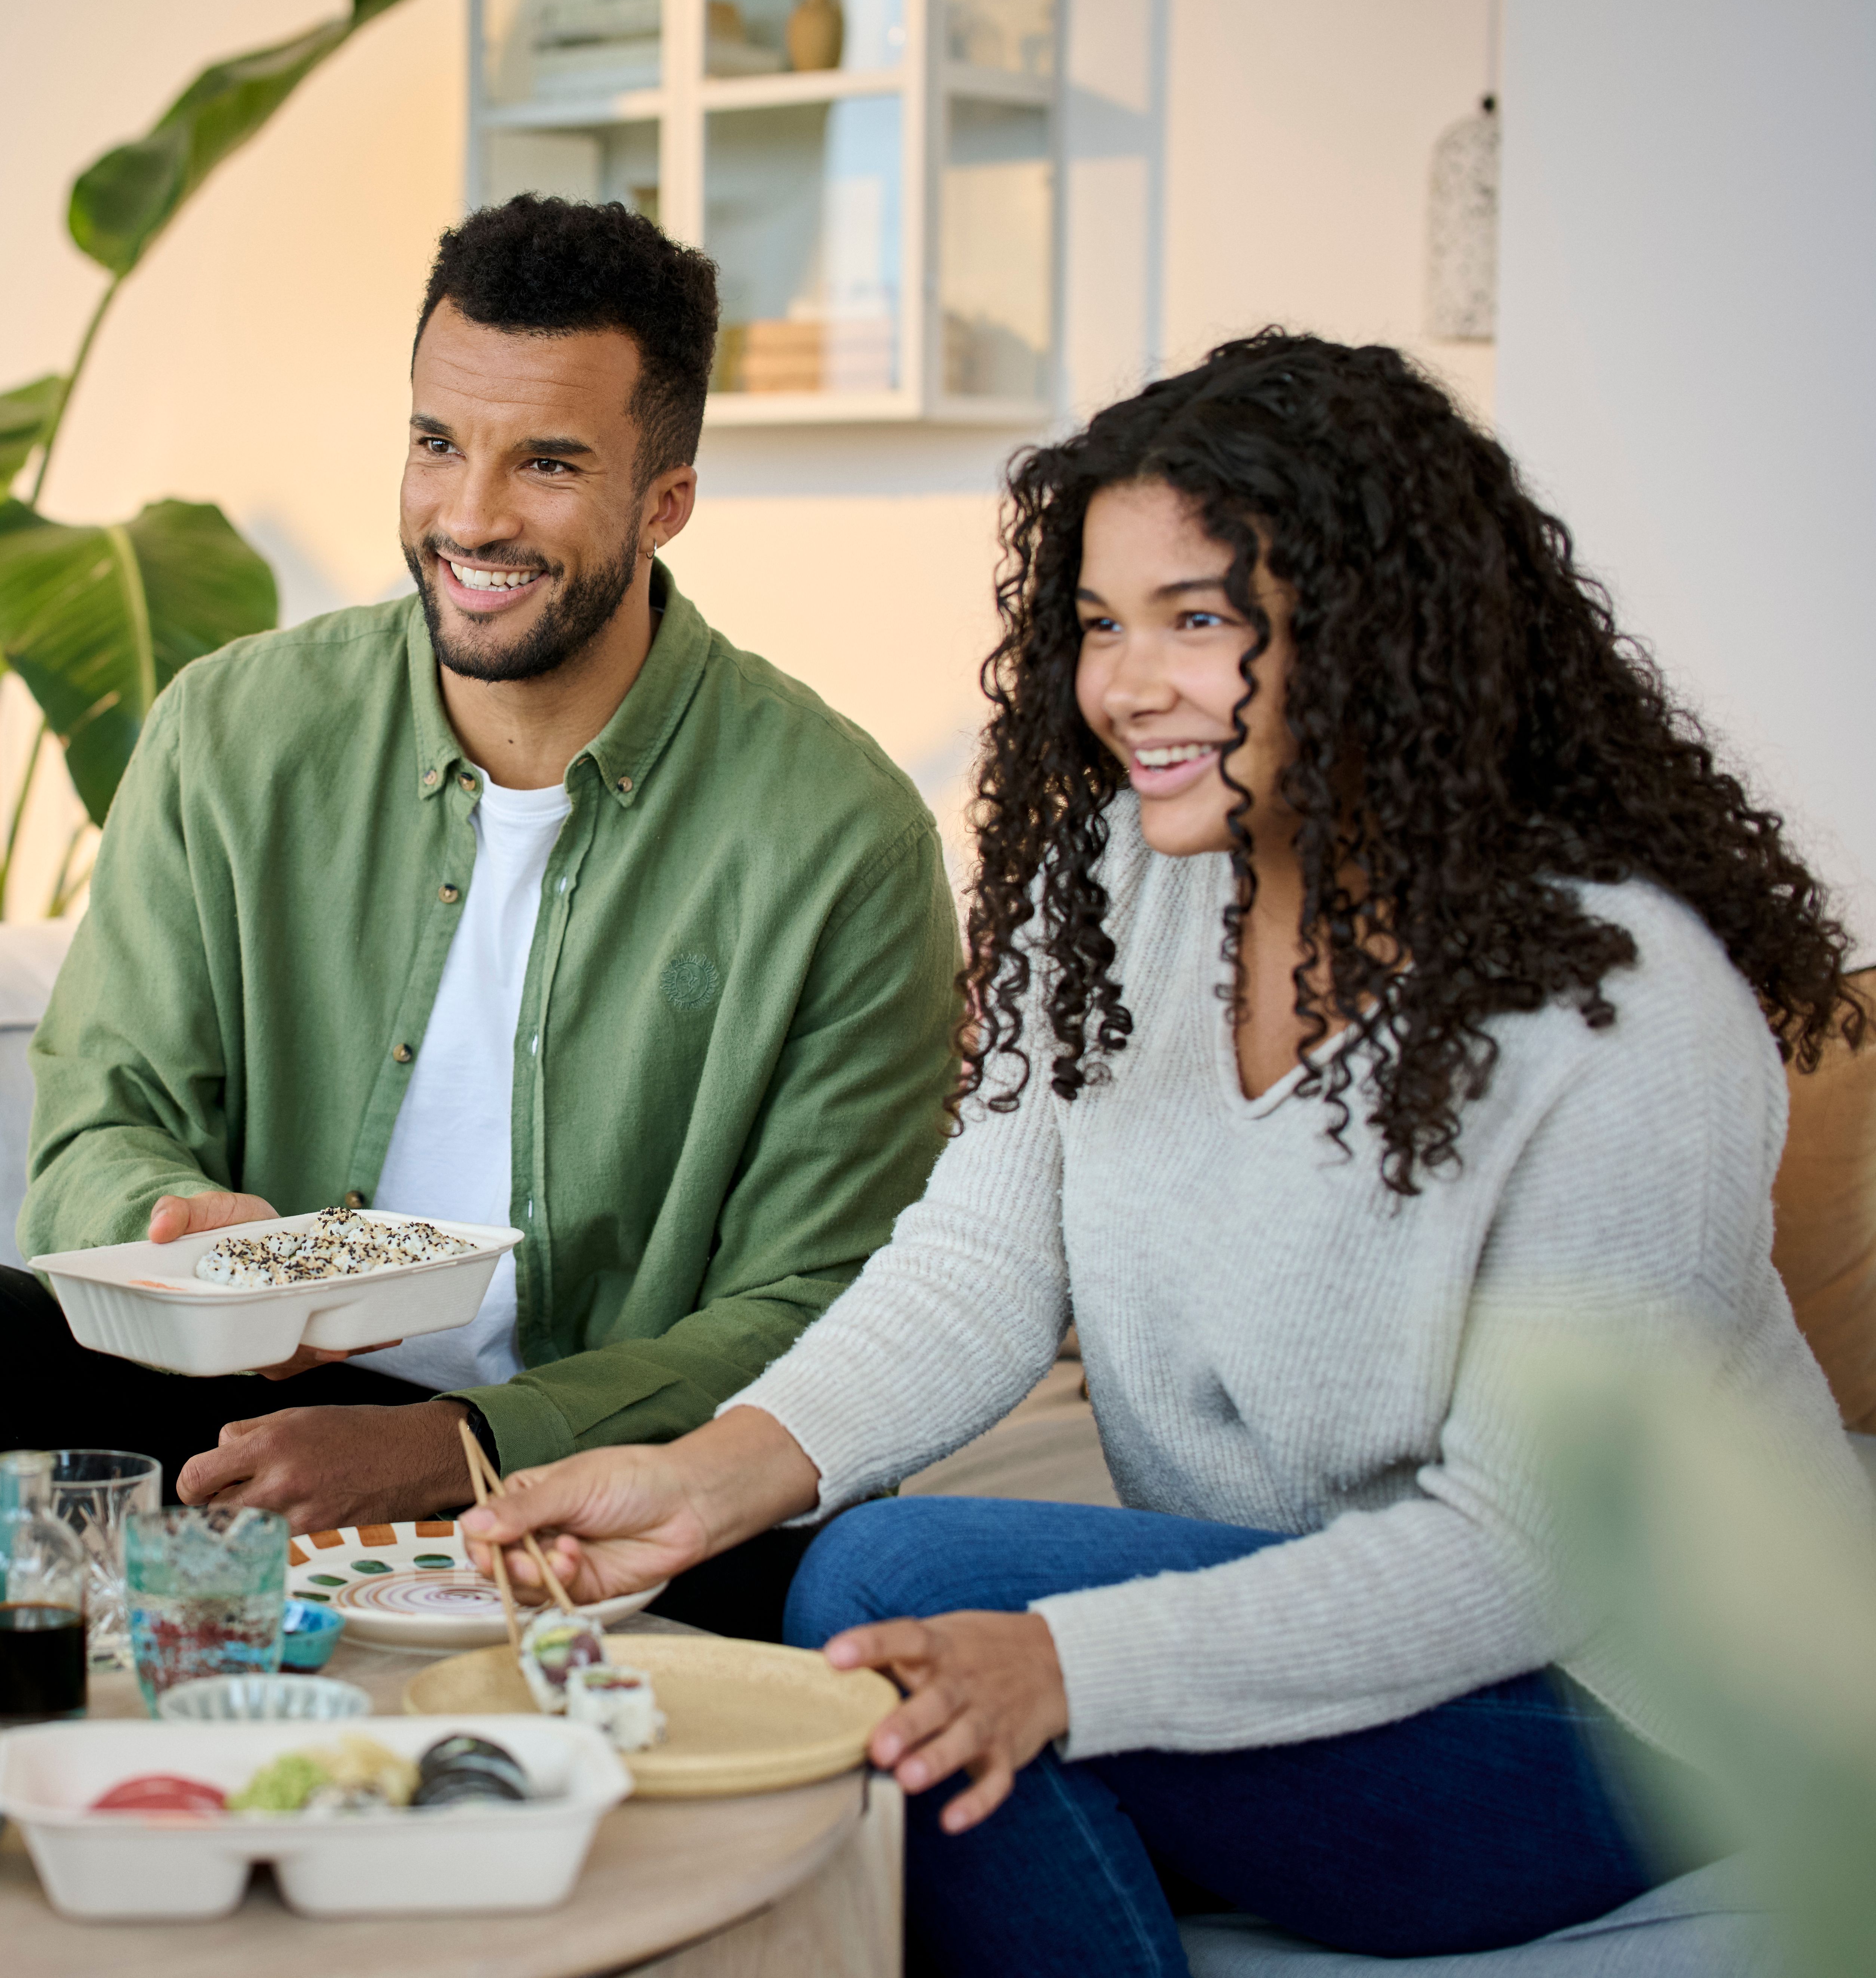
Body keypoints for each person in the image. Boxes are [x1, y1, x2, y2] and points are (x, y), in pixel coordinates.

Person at [460, 332, 1876, 1972]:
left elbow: (1518, 1559)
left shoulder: (1618, 1007)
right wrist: (700, 1479)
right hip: (1305, 1609)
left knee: (901, 1577)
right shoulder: (1111, 886)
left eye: (1197, 619)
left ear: (1386, 630)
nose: (1125, 685)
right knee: (837, 1610)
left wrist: (1075, 1663)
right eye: (1096, 624)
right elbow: (982, 1264)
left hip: (1628, 1725)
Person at [0, 194, 961, 1638]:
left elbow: (823, 1301)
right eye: (437, 443)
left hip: (628, 1463)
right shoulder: (232, 733)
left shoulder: (842, 838)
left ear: (668, 500)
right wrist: (175, 1232)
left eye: (549, 463)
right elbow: (97, 1110)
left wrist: (453, 1452)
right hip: (253, 1395)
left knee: (832, 1562)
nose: (470, 518)